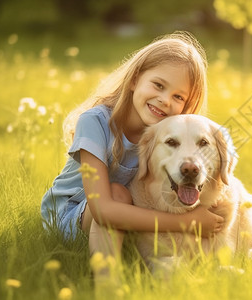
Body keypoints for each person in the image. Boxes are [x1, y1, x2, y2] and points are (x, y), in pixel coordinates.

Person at [40, 32, 224, 269]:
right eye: (158, 85)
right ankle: (107, 283)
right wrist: (186, 223)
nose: (165, 100)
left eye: (178, 96)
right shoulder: (95, 122)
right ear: (135, 79)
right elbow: (103, 209)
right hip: (72, 216)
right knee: (118, 193)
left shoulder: (164, 140)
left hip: (126, 212)